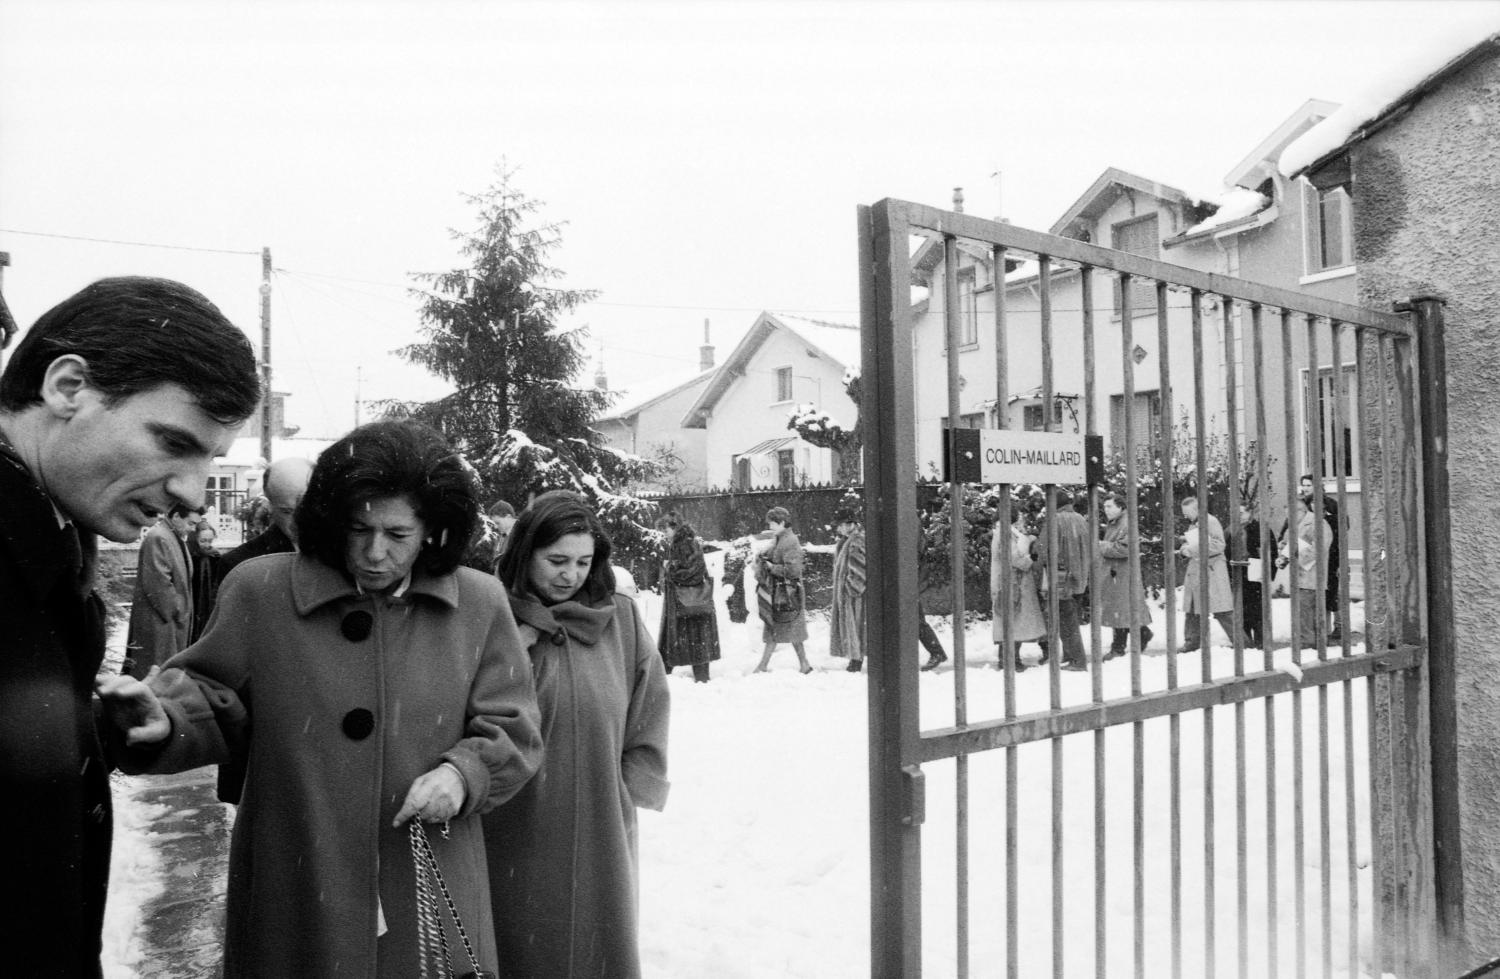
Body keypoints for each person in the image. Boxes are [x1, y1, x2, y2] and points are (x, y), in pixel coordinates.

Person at [103, 420, 544, 977]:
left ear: (433, 530)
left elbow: (515, 726)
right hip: (297, 868)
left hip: (428, 874)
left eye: (397, 534)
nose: (374, 552)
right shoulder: (261, 589)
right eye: (358, 528)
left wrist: (463, 775)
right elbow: (212, 693)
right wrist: (164, 720)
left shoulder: (479, 603)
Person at [0, 276, 260, 978]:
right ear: (68, 386)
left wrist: (81, 732)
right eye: (173, 440)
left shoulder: (50, 551)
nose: (190, 492)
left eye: (209, 458)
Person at [486, 490, 671, 979]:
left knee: (597, 941)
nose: (571, 575)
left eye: (584, 562)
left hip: (600, 817)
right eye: (557, 561)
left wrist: (629, 787)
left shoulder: (621, 618)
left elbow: (650, 703)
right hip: (516, 820)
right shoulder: (490, 617)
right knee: (523, 943)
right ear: (526, 555)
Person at [123, 503, 199, 678]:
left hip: (169, 619)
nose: (193, 529)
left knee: (164, 669)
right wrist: (179, 610)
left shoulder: (171, 536)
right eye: (191, 523)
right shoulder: (159, 537)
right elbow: (159, 584)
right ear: (176, 517)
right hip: (162, 620)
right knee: (157, 670)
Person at [215, 455, 314, 582]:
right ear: (269, 506)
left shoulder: (340, 554)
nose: (298, 521)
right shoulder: (239, 564)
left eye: (306, 508)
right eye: (287, 511)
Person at [658, 509, 722, 682]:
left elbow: (692, 571)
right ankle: (674, 669)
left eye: (666, 529)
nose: (665, 533)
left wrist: (670, 568)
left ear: (676, 527)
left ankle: (690, 674)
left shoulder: (686, 543)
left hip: (688, 599)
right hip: (688, 599)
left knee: (692, 635)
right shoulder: (683, 542)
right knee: (694, 636)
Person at [1036, 488, 1092, 670]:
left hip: (1061, 578)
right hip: (1080, 577)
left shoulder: (1055, 520)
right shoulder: (1080, 519)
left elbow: (1042, 550)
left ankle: (1077, 660)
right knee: (1071, 617)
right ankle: (1070, 656)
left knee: (1066, 621)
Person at [753, 506, 813, 674]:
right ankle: (766, 665)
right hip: (781, 593)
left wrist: (772, 567)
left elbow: (793, 570)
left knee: (787, 629)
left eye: (772, 523)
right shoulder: (780, 538)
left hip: (788, 593)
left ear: (782, 523)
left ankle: (801, 663)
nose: (770, 526)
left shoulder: (790, 541)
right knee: (780, 629)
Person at [1178, 495, 1241, 652]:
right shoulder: (1197, 523)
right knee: (1193, 608)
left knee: (1222, 611)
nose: (1185, 515)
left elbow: (1218, 545)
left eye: (1187, 512)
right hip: (1200, 571)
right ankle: (1191, 642)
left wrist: (1190, 549)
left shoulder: (1210, 521)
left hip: (1211, 571)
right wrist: (1185, 547)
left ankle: (1242, 643)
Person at [992, 503, 1049, 671]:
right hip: (1013, 583)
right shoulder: (1005, 533)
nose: (1022, 519)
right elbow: (1015, 559)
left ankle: (1008, 659)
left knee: (1010, 619)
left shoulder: (1004, 532)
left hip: (1011, 582)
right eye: (1020, 515)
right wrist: (1031, 558)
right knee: (1013, 620)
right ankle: (1010, 661)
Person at [1097, 491, 1153, 659]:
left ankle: (1118, 647)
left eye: (1110, 506)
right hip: (1117, 573)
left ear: (1120, 507)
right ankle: (1141, 634)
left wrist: (1102, 546)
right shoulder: (1116, 523)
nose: (1106, 510)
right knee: (1122, 609)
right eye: (1105, 506)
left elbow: (1125, 548)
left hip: (1123, 573)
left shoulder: (1126, 524)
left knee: (1120, 610)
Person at [1279, 495, 1332, 651]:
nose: (1288, 518)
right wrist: (1282, 556)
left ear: (1301, 511)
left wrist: (1294, 555)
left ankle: (1310, 643)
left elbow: (1320, 548)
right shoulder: (1293, 526)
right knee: (1303, 612)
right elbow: (1285, 544)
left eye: (1290, 514)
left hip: (1312, 576)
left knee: (1309, 612)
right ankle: (1309, 642)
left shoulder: (1318, 523)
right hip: (1299, 576)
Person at [829, 506, 868, 672]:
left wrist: (851, 589)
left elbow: (860, 570)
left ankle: (856, 659)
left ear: (849, 524)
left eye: (840, 525)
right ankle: (855, 657)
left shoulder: (856, 541)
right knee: (855, 626)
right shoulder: (846, 541)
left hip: (855, 595)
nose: (838, 529)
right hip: (849, 593)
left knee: (856, 625)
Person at [916, 524, 950, 671]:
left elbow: (916, 552)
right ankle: (936, 651)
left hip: (910, 577)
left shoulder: (907, 520)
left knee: (915, 619)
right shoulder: (910, 520)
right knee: (915, 618)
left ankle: (936, 652)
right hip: (912, 575)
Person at [1231, 501, 1265, 649]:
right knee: (1242, 607)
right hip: (1239, 571)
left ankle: (1260, 640)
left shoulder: (1259, 528)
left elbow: (1268, 549)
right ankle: (1246, 640)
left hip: (1254, 569)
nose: (1238, 516)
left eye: (1242, 513)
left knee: (1256, 607)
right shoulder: (1233, 529)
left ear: (1250, 513)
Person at [188, 518, 223, 642]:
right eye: (203, 541)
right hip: (192, 603)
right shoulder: (189, 556)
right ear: (195, 539)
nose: (207, 545)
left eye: (210, 541)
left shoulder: (216, 557)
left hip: (209, 603)